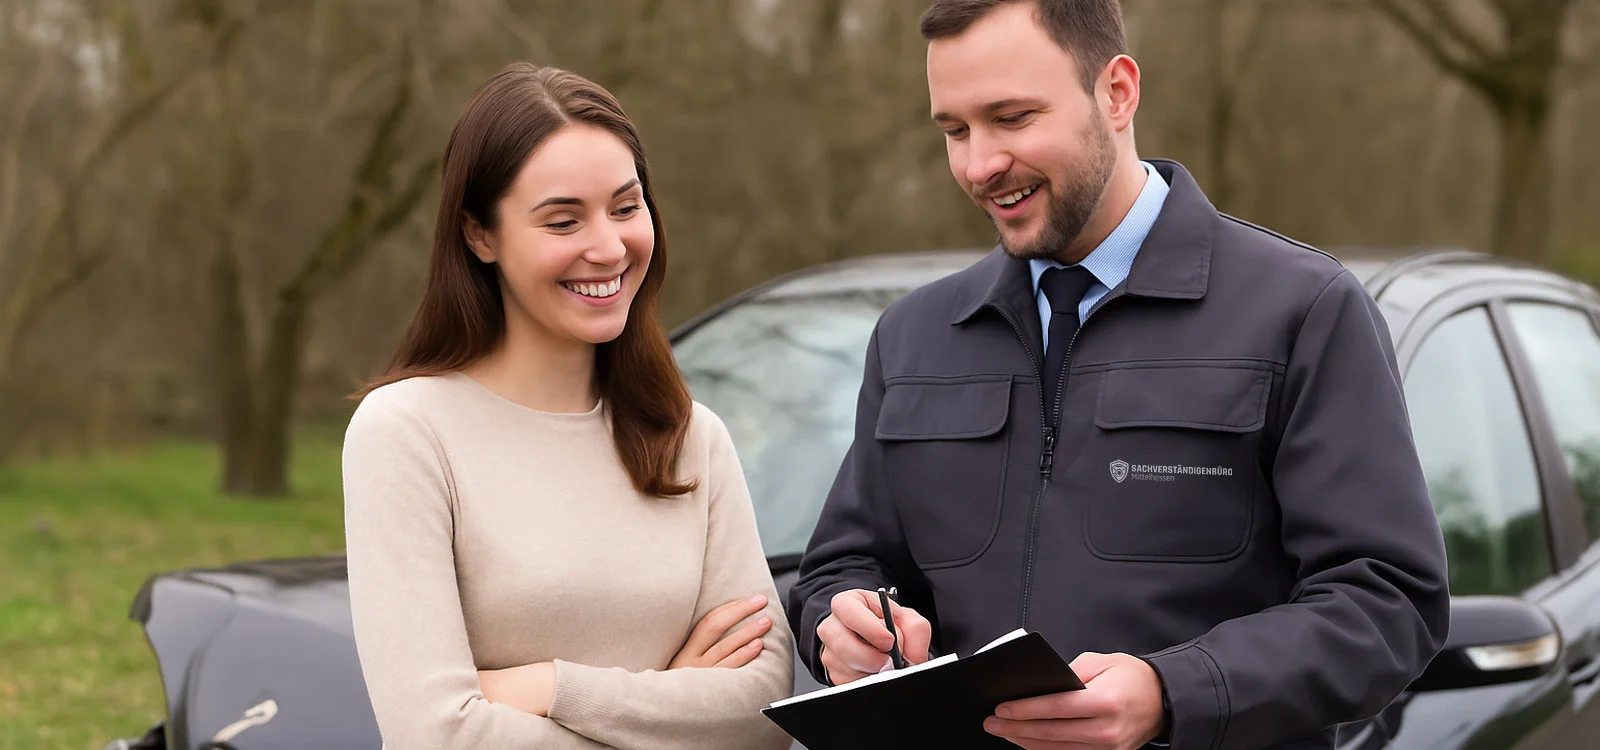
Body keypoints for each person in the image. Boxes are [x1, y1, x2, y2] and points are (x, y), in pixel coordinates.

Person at [787, 1, 1450, 748]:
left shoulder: (1302, 311)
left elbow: (1388, 604)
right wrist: (839, 622)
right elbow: (843, 563)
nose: (979, 165)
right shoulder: (913, 338)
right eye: (955, 130)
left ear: (1118, 92)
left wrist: (1172, 691)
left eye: (1012, 118)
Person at [341, 63, 794, 750]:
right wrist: (674, 704)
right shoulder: (406, 434)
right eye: (563, 220)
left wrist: (549, 686)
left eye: (625, 207)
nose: (608, 248)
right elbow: (434, 735)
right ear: (479, 235)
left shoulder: (690, 437)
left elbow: (761, 711)